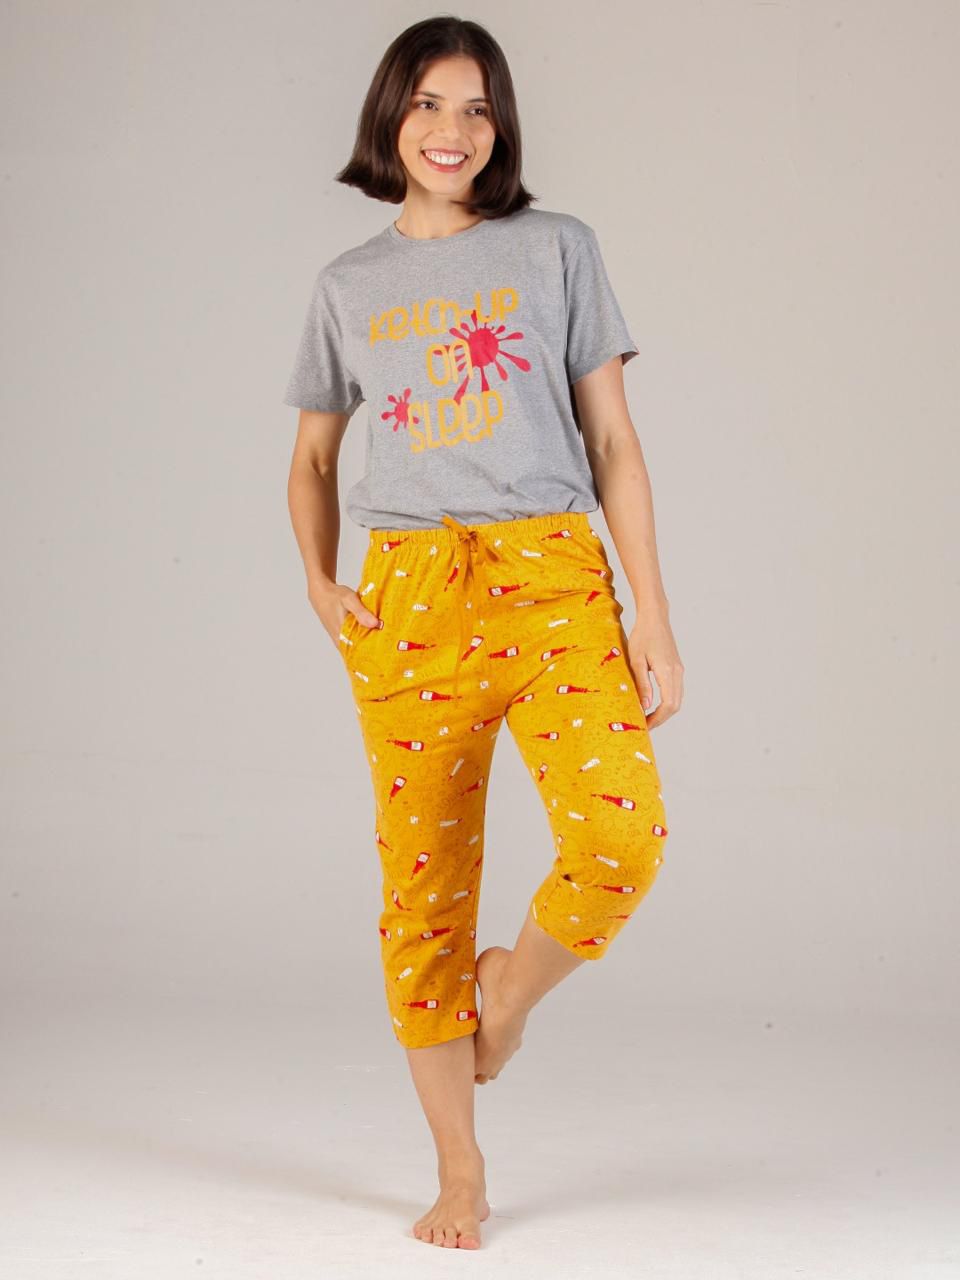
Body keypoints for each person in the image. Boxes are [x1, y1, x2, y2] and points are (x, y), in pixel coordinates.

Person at [282, 15, 684, 1250]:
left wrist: (653, 614)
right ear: (389, 118)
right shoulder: (348, 286)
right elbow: (314, 458)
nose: (451, 131)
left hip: (551, 577)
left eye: (475, 108)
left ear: (500, 126)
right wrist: (321, 584)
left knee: (621, 833)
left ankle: (504, 995)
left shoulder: (558, 248)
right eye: (427, 104)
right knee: (423, 895)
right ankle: (460, 1170)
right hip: (409, 599)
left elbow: (613, 440)